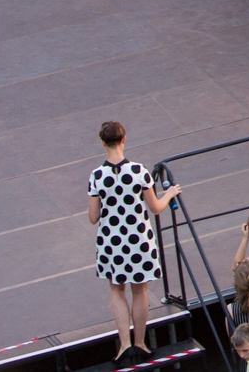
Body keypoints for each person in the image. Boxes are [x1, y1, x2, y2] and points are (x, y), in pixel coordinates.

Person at [88, 121, 180, 365]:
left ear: (102, 143)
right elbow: (155, 208)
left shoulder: (97, 176)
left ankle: (124, 345)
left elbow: (93, 217)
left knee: (117, 290)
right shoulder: (139, 171)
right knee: (140, 290)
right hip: (139, 239)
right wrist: (169, 194)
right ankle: (140, 343)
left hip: (111, 241)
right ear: (124, 139)